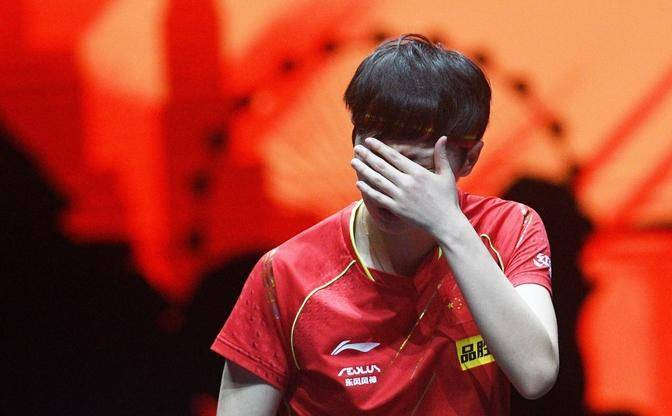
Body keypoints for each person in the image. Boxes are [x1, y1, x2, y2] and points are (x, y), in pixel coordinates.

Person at [212, 33, 558, 415]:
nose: (388, 185)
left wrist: (449, 226)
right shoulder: (285, 275)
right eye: (376, 159)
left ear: (469, 159)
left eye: (414, 166)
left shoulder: (510, 229)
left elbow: (536, 374)